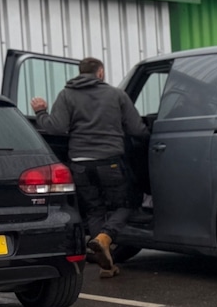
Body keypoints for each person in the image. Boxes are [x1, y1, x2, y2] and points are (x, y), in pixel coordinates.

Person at [31, 57, 148, 277]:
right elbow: (137, 129)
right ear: (100, 72)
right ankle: (105, 237)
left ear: (80, 72)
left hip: (80, 164)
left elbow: (56, 128)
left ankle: (106, 263)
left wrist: (40, 112)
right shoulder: (116, 95)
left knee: (95, 209)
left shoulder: (67, 94)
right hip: (110, 161)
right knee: (127, 204)